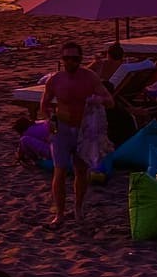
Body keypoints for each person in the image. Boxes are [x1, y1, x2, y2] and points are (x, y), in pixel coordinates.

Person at [37, 41, 111, 227]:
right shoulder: (55, 80)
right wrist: (49, 119)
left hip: (83, 130)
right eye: (67, 58)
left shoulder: (90, 77)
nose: (71, 62)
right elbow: (44, 104)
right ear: (61, 60)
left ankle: (78, 209)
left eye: (75, 58)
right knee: (60, 171)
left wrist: (97, 100)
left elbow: (110, 102)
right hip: (61, 129)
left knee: (81, 171)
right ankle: (60, 214)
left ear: (80, 59)